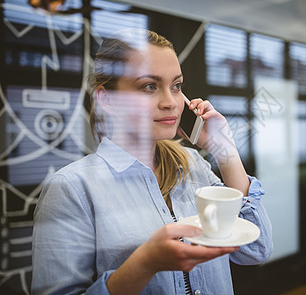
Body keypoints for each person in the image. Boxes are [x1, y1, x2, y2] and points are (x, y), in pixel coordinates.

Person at [31, 28, 272, 295]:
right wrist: (144, 264)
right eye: (149, 86)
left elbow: (255, 250)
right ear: (107, 99)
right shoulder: (71, 188)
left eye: (176, 86)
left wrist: (224, 150)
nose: (171, 102)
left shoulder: (192, 165)